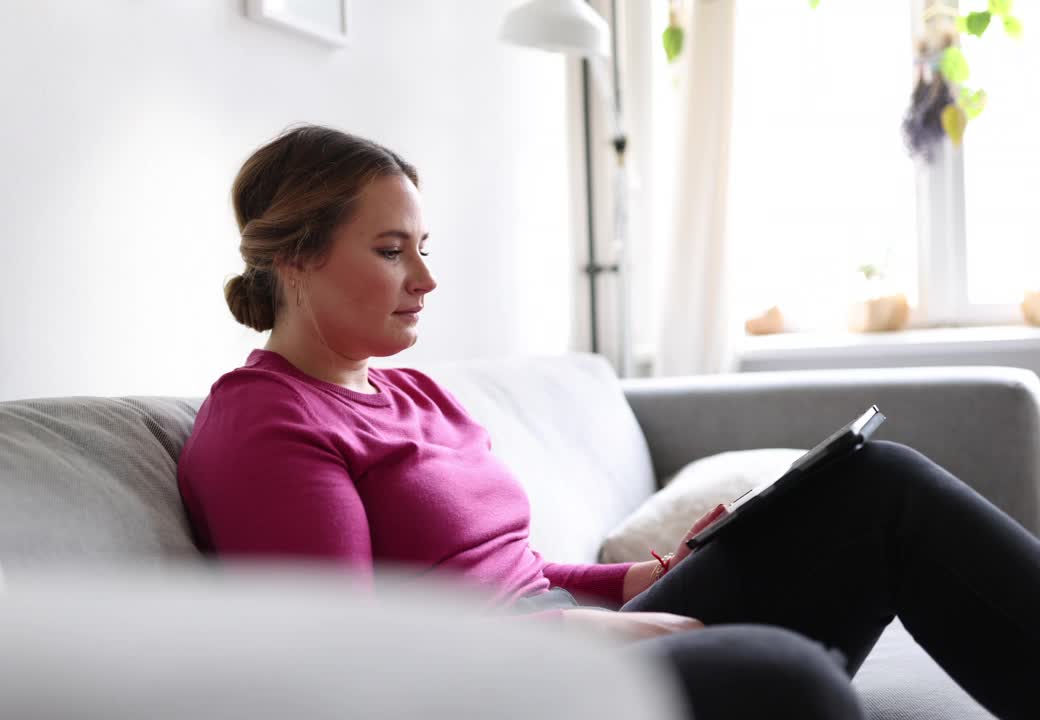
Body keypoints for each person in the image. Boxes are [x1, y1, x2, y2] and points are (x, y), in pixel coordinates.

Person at [177, 124, 1040, 720]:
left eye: (423, 248)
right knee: (777, 674)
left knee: (871, 486)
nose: (426, 280)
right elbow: (348, 655)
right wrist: (572, 629)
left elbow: (511, 569)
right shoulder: (267, 424)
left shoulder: (415, 395)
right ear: (294, 258)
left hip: (562, 633)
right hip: (498, 688)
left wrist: (629, 582)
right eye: (390, 250)